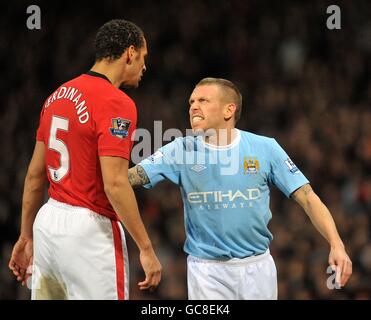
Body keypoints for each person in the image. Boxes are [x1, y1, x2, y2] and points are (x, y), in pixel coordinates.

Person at [128, 77, 352, 300]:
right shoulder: (180, 149)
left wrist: (336, 244)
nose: (193, 106)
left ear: (229, 110)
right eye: (191, 102)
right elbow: (129, 178)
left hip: (258, 268)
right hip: (207, 270)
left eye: (203, 100)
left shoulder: (265, 148)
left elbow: (307, 197)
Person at [8, 19, 162, 300]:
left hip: (48, 221)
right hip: (89, 232)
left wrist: (26, 235)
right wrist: (146, 248)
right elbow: (114, 184)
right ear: (130, 52)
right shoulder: (117, 102)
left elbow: (34, 175)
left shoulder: (56, 95)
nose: (144, 67)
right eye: (143, 57)